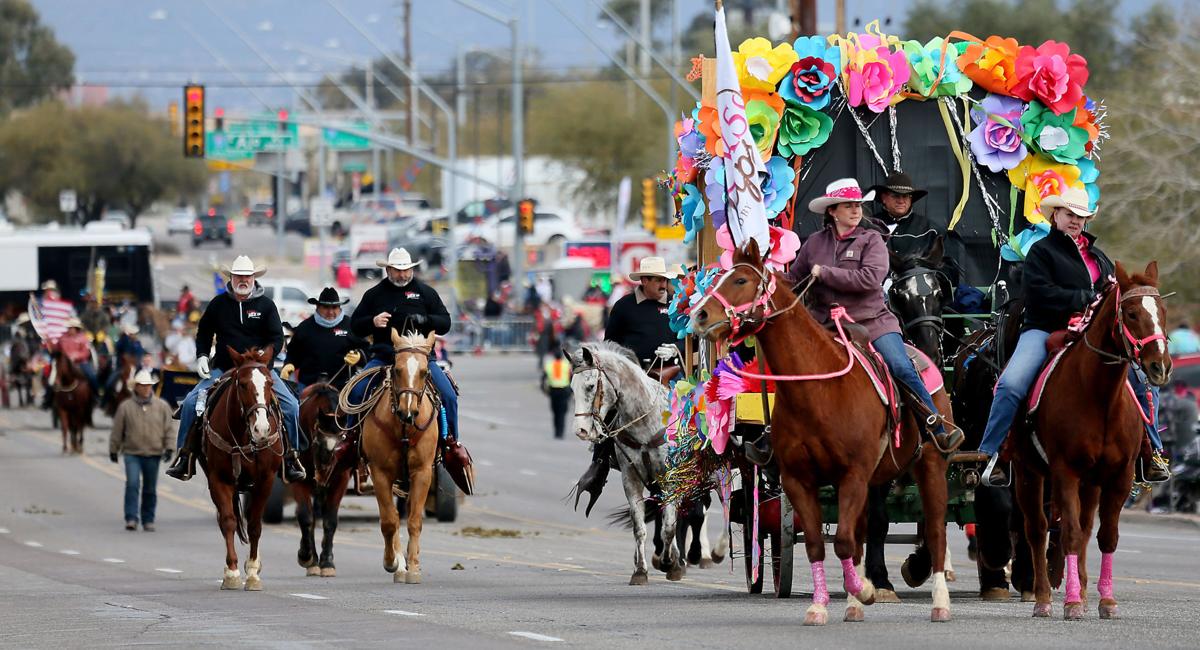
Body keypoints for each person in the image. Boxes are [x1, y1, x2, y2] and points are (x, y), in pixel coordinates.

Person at [977, 186, 1169, 486]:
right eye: (1070, 214)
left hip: (1091, 335)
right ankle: (991, 456)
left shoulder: (1100, 257)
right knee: (1012, 383)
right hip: (1043, 329)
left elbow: (1110, 296)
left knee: (1144, 380)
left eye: (1081, 216)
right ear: (1055, 216)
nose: (1076, 221)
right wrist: (1082, 297)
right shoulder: (1041, 252)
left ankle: (1152, 452)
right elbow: (1039, 293)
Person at [785, 178, 962, 453]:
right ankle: (778, 436)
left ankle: (934, 424)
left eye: (858, 205)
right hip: (824, 324)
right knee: (791, 367)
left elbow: (869, 279)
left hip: (871, 321)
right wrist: (763, 277)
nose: (856, 210)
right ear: (832, 211)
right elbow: (793, 280)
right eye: (849, 205)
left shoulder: (873, 240)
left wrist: (826, 272)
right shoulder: (813, 245)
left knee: (900, 365)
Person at [166, 256, 306, 483]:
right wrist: (202, 355)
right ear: (231, 278)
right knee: (192, 402)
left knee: (291, 406)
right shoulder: (218, 304)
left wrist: (265, 356)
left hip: (259, 370)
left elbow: (276, 338)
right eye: (239, 276)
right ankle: (184, 456)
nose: (243, 280)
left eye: (247, 276)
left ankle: (291, 457)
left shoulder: (266, 305)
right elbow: (203, 333)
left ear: (253, 278)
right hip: (223, 367)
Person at [574, 257, 684, 511]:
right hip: (632, 378)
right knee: (608, 412)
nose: (663, 285)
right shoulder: (624, 307)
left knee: (689, 406)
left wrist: (676, 349)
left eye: (665, 280)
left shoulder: (677, 306)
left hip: (669, 371)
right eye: (657, 280)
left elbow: (689, 338)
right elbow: (609, 346)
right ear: (644, 281)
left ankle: (691, 455)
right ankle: (599, 462)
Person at [339, 247, 457, 465]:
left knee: (448, 395)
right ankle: (351, 439)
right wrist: (372, 322)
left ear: (411, 269)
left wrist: (426, 319)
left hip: (421, 358)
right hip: (384, 357)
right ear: (388, 270)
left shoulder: (426, 292)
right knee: (356, 392)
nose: (402, 275)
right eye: (397, 270)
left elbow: (445, 322)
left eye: (406, 270)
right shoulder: (374, 294)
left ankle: (451, 444)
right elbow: (355, 326)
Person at [109, 370, 173, 531]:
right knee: (132, 484)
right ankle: (131, 518)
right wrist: (113, 449)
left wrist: (169, 448)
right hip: (132, 453)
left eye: (148, 386)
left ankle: (148, 519)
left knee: (150, 488)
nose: (146, 389)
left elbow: (169, 429)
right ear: (136, 387)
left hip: (153, 453)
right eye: (143, 386)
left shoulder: (162, 406)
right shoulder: (125, 407)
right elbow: (117, 429)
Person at [280, 287, 366, 391]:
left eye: (334, 307)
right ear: (317, 307)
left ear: (340, 307)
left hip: (343, 386)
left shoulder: (351, 325)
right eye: (326, 307)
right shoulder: (305, 327)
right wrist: (289, 364)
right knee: (293, 406)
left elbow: (368, 351)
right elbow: (293, 354)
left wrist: (360, 357)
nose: (330, 312)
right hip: (308, 385)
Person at [543, 347, 573, 439]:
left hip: (553, 391)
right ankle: (560, 431)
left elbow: (543, 378)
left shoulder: (549, 365)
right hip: (564, 391)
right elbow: (571, 378)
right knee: (562, 412)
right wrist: (572, 391)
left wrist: (544, 390)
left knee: (555, 411)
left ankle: (557, 431)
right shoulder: (567, 365)